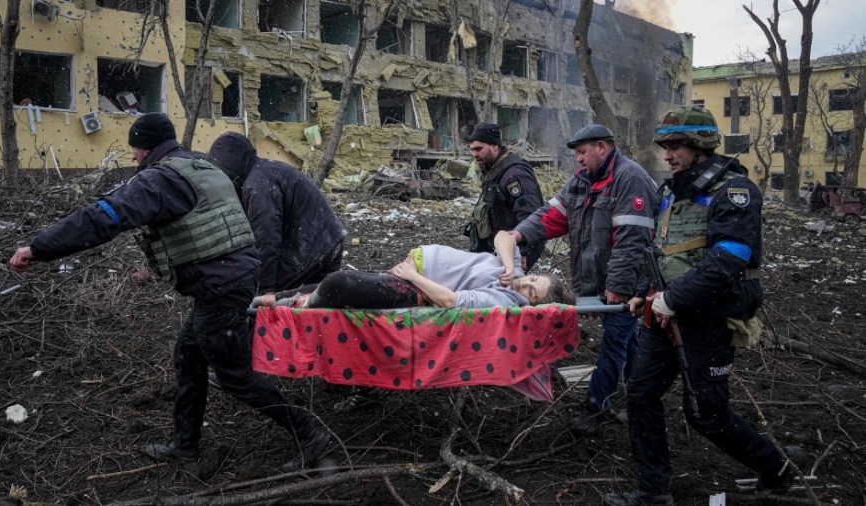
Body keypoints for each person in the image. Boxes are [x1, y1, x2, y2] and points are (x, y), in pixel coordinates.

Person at [9, 113, 328, 472]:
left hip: (221, 284)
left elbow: (102, 217)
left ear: (143, 147)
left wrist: (39, 248)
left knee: (234, 373)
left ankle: (308, 431)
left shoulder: (159, 180)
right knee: (189, 355)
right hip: (231, 277)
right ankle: (184, 445)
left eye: (133, 149)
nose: (132, 157)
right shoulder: (200, 164)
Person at [603, 107, 808, 506]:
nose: (668, 154)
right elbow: (662, 252)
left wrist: (672, 300)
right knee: (641, 394)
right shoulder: (672, 191)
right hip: (663, 316)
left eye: (675, 145)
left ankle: (777, 468)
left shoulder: (734, 192)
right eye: (665, 146)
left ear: (700, 145)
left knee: (706, 414)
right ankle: (652, 491)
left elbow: (728, 259)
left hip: (708, 318)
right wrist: (643, 293)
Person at [510, 124, 657, 435]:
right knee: (628, 338)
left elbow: (633, 241)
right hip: (600, 281)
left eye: (581, 152)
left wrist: (617, 287)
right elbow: (551, 216)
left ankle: (596, 405)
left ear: (601, 148)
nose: (577, 159)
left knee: (616, 339)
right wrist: (519, 234)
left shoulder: (630, 179)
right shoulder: (581, 182)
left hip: (628, 282)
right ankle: (642, 393)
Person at [266, 232, 573, 310]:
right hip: (412, 270)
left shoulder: (506, 301)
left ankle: (289, 306)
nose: (525, 285)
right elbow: (504, 237)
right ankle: (267, 299)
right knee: (337, 281)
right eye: (533, 279)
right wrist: (510, 265)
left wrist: (413, 277)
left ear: (530, 305)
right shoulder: (513, 273)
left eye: (531, 292)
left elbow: (453, 301)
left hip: (416, 288)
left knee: (339, 283)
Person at [206, 132, 347, 297]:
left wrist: (265, 290)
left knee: (261, 300)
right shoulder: (262, 172)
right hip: (325, 242)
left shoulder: (257, 185)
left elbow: (266, 239)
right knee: (310, 306)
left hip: (312, 248)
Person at [464, 122, 545, 270]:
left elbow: (529, 214)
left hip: (514, 248)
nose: (474, 154)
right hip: (499, 247)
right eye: (472, 150)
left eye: (478, 149)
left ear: (495, 146)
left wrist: (523, 252)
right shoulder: (495, 169)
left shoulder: (514, 174)